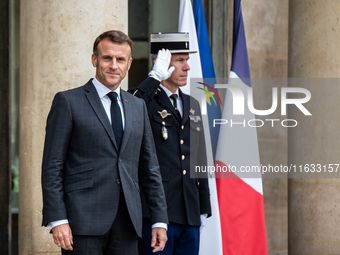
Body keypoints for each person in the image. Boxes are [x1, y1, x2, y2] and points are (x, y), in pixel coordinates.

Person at [41, 30, 168, 255]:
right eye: (107, 58)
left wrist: (159, 220)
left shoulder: (137, 106)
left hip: (129, 223)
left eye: (120, 59)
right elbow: (52, 167)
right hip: (81, 224)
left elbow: (150, 168)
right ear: (94, 60)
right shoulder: (68, 101)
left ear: (128, 64)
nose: (113, 65)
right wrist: (57, 219)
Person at [129, 32, 211, 255]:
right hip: (157, 213)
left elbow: (199, 157)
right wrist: (153, 79)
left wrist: (203, 207)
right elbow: (127, 110)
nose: (187, 68)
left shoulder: (191, 103)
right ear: (161, 62)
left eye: (187, 60)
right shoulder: (144, 101)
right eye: (180, 61)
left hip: (189, 211)